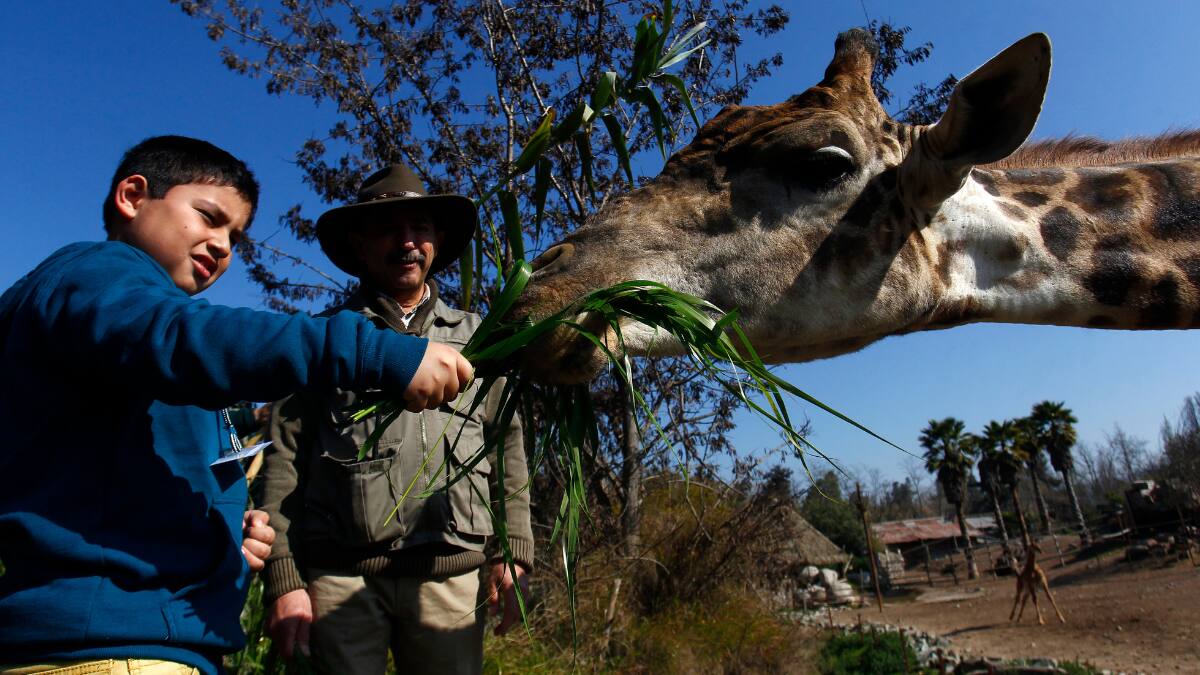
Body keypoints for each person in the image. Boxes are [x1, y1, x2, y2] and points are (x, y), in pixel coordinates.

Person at [0, 137, 472, 675]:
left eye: (235, 236)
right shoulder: (98, 276)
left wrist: (221, 535)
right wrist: (374, 351)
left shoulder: (120, 346)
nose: (223, 246)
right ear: (132, 196)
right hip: (111, 648)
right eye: (209, 217)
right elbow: (184, 339)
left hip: (149, 640)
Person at [257, 164, 534, 675]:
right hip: (338, 580)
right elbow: (282, 465)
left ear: (437, 241)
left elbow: (507, 449)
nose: (407, 242)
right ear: (360, 245)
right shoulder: (323, 341)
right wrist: (284, 581)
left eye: (419, 228)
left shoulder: (478, 338)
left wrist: (512, 552)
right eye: (388, 229)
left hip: (451, 578)